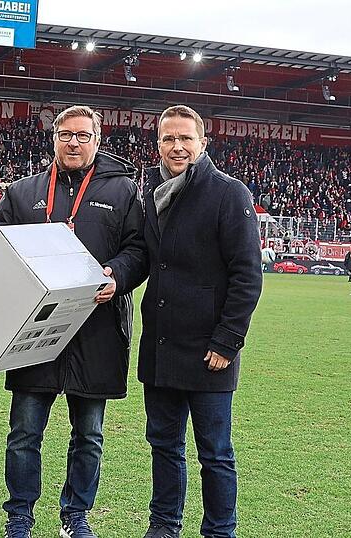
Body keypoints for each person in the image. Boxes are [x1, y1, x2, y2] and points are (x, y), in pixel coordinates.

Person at [0, 105, 147, 538]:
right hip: (33, 330)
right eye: (65, 134)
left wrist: (118, 274)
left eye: (83, 135)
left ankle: (76, 516)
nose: (73, 142)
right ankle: (19, 517)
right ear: (53, 138)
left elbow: (139, 249)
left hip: (97, 330)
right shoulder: (24, 193)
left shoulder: (123, 191)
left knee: (89, 435)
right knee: (24, 431)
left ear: (97, 140)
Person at [138, 105, 262, 538]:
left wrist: (227, 341)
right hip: (161, 346)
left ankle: (219, 532)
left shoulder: (229, 193)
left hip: (210, 351)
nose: (177, 146)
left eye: (185, 138)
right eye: (169, 138)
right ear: (158, 144)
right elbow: (145, 258)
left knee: (215, 452)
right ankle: (164, 526)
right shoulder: (151, 191)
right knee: (163, 446)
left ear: (202, 143)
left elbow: (247, 275)